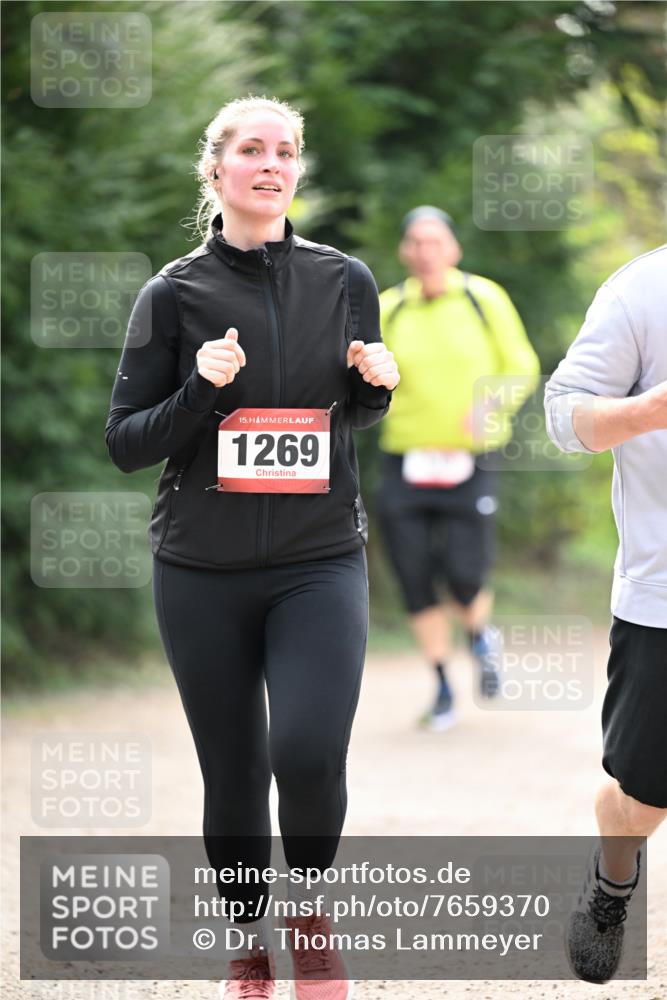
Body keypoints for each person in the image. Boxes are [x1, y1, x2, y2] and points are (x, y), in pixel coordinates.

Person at [105, 95, 399, 1000]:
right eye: (251, 150)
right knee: (232, 774)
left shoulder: (346, 280)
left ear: (295, 172)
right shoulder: (175, 292)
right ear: (216, 171)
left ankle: (308, 916)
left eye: (284, 152)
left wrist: (377, 387)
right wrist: (199, 388)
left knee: (307, 753)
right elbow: (126, 441)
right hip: (201, 571)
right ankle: (247, 942)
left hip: (317, 559)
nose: (270, 164)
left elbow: (344, 412)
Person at [544, 244, 667, 984]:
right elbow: (564, 418)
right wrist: (647, 409)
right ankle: (612, 877)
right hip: (662, 597)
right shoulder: (642, 290)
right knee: (642, 796)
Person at [376, 206, 540, 730]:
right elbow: (361, 371)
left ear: (453, 249)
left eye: (436, 241)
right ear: (405, 251)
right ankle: (444, 684)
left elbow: (521, 364)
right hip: (405, 460)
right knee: (414, 575)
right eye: (416, 242)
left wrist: (490, 403)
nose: (426, 251)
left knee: (467, 574)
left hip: (470, 459)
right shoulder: (389, 308)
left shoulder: (482, 298)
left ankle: (479, 635)